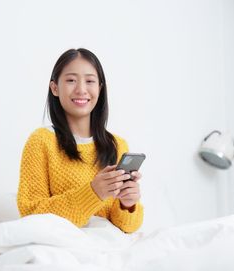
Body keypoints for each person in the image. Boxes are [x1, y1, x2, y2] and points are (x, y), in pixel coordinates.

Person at [17, 48, 143, 233]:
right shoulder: (41, 142)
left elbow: (127, 227)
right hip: (60, 247)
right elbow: (31, 214)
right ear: (55, 88)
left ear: (99, 88)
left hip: (108, 248)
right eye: (71, 80)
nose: (81, 89)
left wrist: (128, 204)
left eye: (90, 81)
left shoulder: (117, 145)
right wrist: (93, 193)